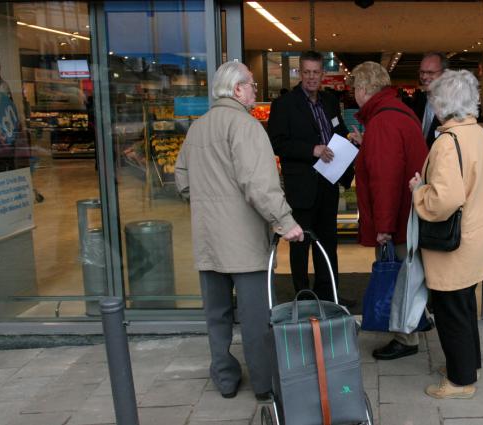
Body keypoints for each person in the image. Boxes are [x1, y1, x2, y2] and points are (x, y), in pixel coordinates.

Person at [175, 61, 304, 401]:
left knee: (216, 316)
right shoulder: (246, 127)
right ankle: (264, 384)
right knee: (256, 318)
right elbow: (259, 185)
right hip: (244, 244)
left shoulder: (198, 128)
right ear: (236, 89)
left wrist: (208, 206)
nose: (255, 91)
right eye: (251, 84)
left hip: (208, 241)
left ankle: (225, 377)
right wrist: (286, 222)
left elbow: (183, 181)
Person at [409, 70, 483, 399]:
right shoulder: (479, 134)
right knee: (464, 307)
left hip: (455, 246)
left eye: (432, 97)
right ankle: (468, 364)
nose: (431, 102)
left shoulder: (448, 143)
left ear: (443, 104)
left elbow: (445, 200)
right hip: (476, 237)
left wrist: (419, 191)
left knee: (450, 311)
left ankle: (460, 382)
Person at [349, 61, 430, 360]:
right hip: (408, 214)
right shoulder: (397, 113)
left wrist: (383, 225)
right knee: (408, 274)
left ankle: (405, 337)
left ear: (364, 88)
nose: (353, 94)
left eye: (354, 87)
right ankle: (411, 324)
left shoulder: (382, 121)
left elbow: (385, 178)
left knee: (397, 277)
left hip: (396, 220)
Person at [267, 51, 353, 304]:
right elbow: (276, 143)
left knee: (328, 243)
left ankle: (329, 296)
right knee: (301, 243)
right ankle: (303, 297)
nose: (312, 77)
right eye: (307, 72)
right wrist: (311, 150)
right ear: (300, 73)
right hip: (301, 186)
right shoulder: (284, 104)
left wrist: (351, 139)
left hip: (328, 183)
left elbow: (339, 130)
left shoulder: (329, 101)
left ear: (322, 75)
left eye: (316, 72)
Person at [0, 51, 28, 172]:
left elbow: (11, 107)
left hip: (11, 134)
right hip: (0, 137)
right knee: (2, 168)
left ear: (0, 65)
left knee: (12, 166)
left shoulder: (5, 85)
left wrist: (18, 123)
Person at [407, 52, 447, 149]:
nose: (424, 77)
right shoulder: (419, 99)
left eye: (430, 72)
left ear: (445, 74)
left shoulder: (454, 104)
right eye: (422, 72)